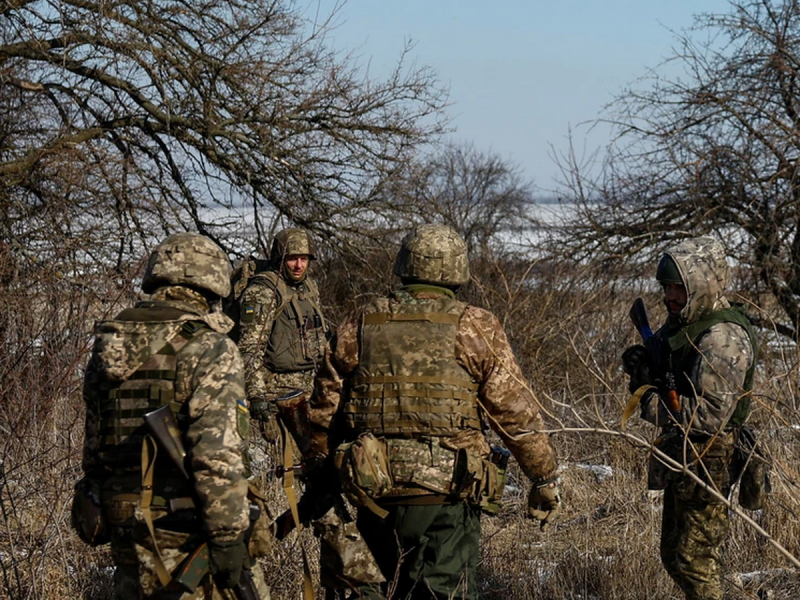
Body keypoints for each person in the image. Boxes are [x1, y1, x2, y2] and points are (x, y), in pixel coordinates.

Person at [308, 224, 561, 600]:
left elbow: (323, 410)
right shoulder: (476, 325)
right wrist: (543, 477)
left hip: (373, 490)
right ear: (458, 270)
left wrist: (323, 477)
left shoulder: (361, 321)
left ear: (404, 265)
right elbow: (515, 412)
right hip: (447, 495)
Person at [75, 232, 269, 599]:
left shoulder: (110, 345)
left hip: (123, 521)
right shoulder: (208, 347)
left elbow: (94, 452)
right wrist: (228, 537)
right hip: (186, 529)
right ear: (211, 282)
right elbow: (217, 455)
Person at [622, 236, 758, 600]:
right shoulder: (686, 321)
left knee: (695, 561)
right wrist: (642, 365)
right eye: (667, 287)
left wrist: (647, 400)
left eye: (679, 287)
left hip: (711, 455)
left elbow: (709, 415)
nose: (670, 295)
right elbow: (669, 365)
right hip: (685, 451)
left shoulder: (723, 337)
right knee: (674, 556)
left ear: (701, 284)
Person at [236, 228, 328, 439]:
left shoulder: (309, 288)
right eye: (292, 259)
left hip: (311, 391)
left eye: (304, 259)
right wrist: (256, 396)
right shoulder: (263, 292)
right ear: (280, 259)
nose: (299, 265)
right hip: (277, 396)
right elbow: (249, 348)